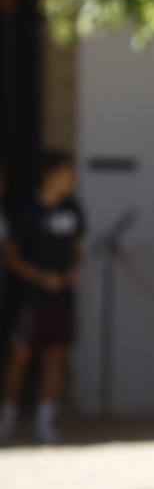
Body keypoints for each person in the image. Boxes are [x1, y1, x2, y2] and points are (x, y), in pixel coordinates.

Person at [0, 151, 84, 444]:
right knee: (20, 355)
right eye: (66, 173)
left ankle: (45, 422)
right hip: (29, 296)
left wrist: (73, 271)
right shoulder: (26, 210)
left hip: (62, 296)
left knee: (56, 356)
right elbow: (10, 255)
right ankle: (7, 416)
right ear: (49, 175)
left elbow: (77, 247)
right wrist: (40, 277)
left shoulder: (73, 208)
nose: (72, 179)